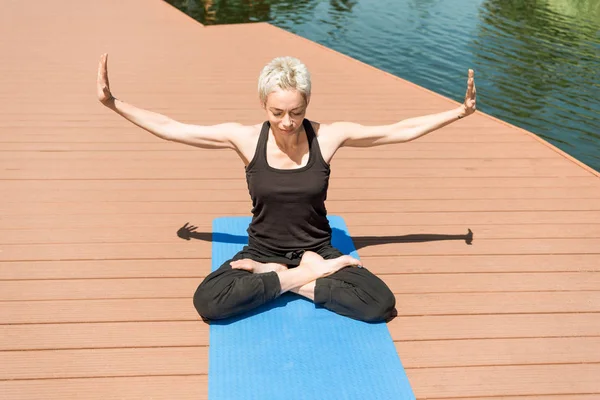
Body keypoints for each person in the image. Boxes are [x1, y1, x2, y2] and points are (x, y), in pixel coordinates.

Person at [97, 54, 476, 322]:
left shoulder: (328, 137)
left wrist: (458, 112)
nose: (287, 122)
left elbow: (398, 131)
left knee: (379, 304)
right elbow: (173, 128)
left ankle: (277, 277)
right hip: (263, 249)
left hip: (318, 248)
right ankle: (297, 275)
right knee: (208, 301)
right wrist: (115, 103)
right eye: (277, 113)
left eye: (296, 112)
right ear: (264, 105)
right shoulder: (244, 139)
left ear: (307, 103)